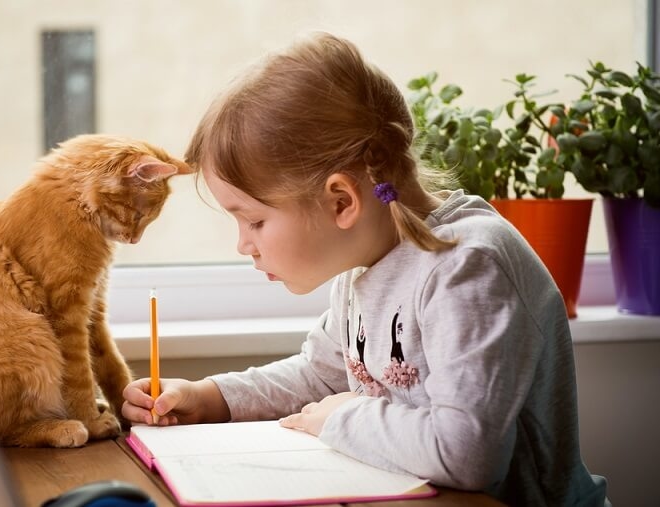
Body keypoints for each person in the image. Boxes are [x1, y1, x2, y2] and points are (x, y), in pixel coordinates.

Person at [121, 32, 609, 506]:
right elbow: (322, 376)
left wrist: (342, 418)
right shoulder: (366, 267)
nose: (243, 244)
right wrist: (209, 398)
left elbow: (467, 454)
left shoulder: (469, 268)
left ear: (341, 201)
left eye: (254, 220)